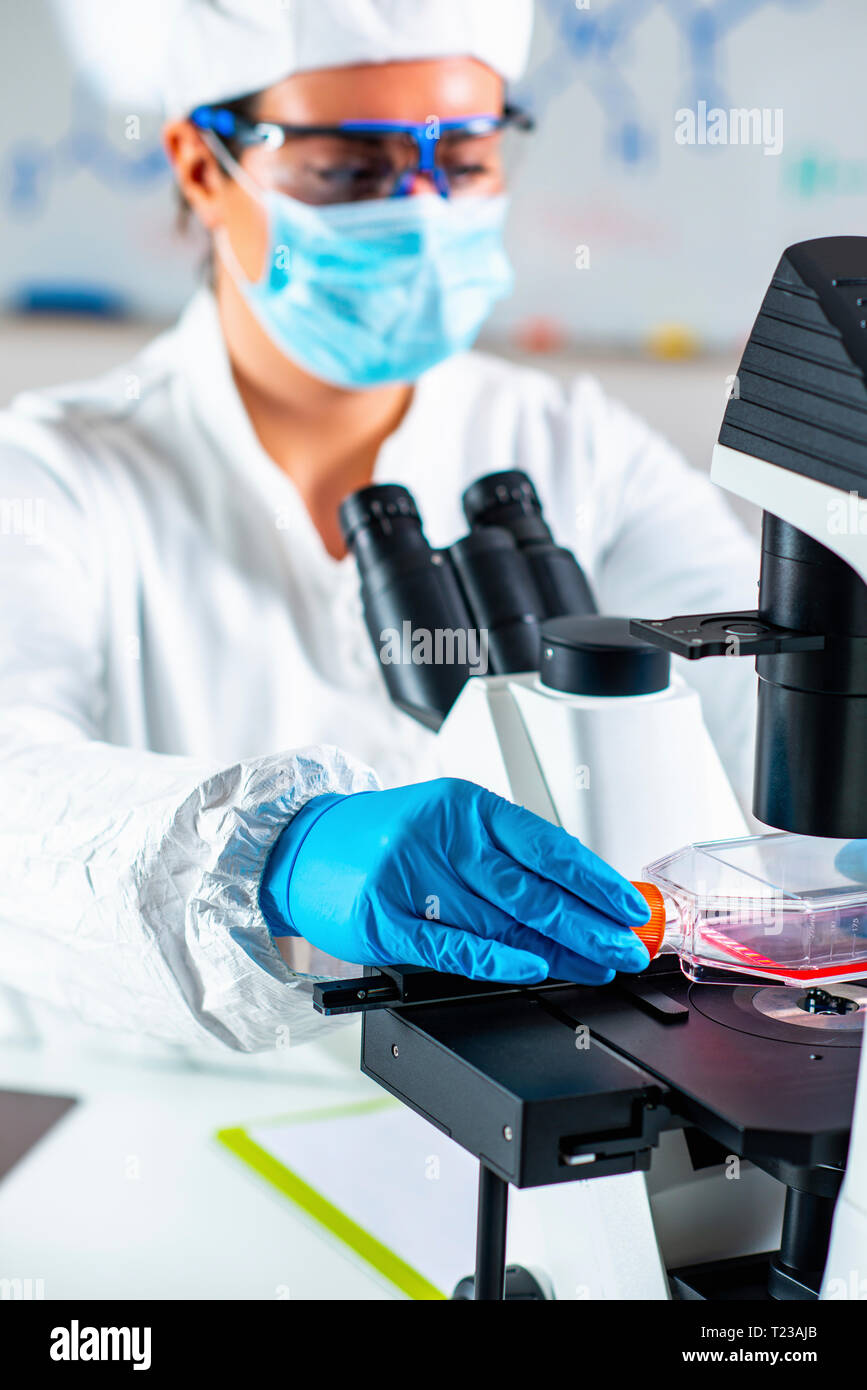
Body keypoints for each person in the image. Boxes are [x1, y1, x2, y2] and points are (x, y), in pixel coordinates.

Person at [0, 0, 759, 1054]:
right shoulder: (52, 476)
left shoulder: (579, 449)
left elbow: (758, 719)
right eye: (351, 171)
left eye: (468, 160)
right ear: (202, 165)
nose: (423, 209)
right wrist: (276, 855)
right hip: (163, 1120)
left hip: (512, 1121)